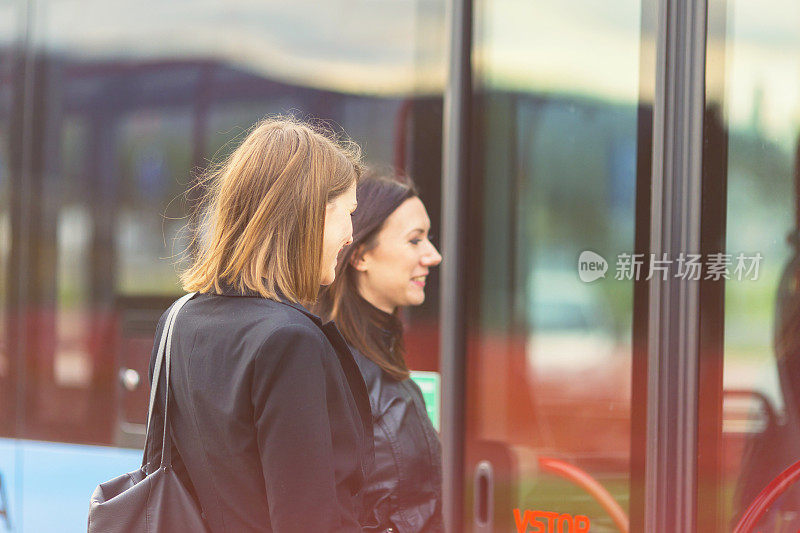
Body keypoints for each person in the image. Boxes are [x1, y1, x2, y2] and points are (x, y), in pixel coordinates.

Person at [145, 117, 373, 532]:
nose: (350, 235)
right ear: (310, 213)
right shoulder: (290, 341)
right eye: (349, 213)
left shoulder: (176, 321)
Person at [316, 172, 444, 533]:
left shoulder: (378, 353)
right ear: (360, 257)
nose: (432, 256)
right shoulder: (334, 365)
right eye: (415, 240)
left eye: (428, 239)